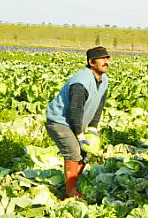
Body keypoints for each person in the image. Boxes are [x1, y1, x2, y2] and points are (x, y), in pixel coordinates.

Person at [45, 46, 110, 199]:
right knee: (74, 151)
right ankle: (71, 192)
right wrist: (79, 134)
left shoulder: (104, 80)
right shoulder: (81, 82)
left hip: (75, 122)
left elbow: (99, 105)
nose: (106, 61)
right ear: (91, 62)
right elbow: (75, 110)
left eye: (107, 58)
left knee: (85, 154)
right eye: (101, 59)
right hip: (59, 121)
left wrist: (93, 127)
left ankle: (71, 183)